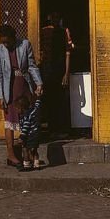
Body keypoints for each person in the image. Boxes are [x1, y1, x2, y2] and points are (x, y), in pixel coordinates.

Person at [0, 23, 43, 169]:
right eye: (3, 41)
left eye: (8, 41)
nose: (6, 44)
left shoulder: (25, 45)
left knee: (27, 119)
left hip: (24, 86)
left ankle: (29, 154)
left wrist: (39, 83)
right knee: (10, 121)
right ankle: (11, 155)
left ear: (14, 37)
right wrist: (0, 96)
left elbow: (32, 66)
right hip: (9, 90)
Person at [39, 11, 74, 139]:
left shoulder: (64, 32)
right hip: (47, 68)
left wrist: (66, 72)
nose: (55, 19)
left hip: (59, 69)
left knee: (61, 99)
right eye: (53, 17)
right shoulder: (44, 31)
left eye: (57, 17)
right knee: (49, 99)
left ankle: (62, 128)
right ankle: (51, 128)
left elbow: (68, 53)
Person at [15, 95, 43, 171]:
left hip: (29, 135)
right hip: (36, 134)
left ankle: (26, 164)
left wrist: (21, 137)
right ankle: (36, 165)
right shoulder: (33, 110)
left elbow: (25, 128)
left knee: (25, 149)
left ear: (21, 108)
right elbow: (37, 106)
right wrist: (38, 98)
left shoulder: (26, 116)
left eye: (17, 108)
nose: (16, 110)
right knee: (34, 150)